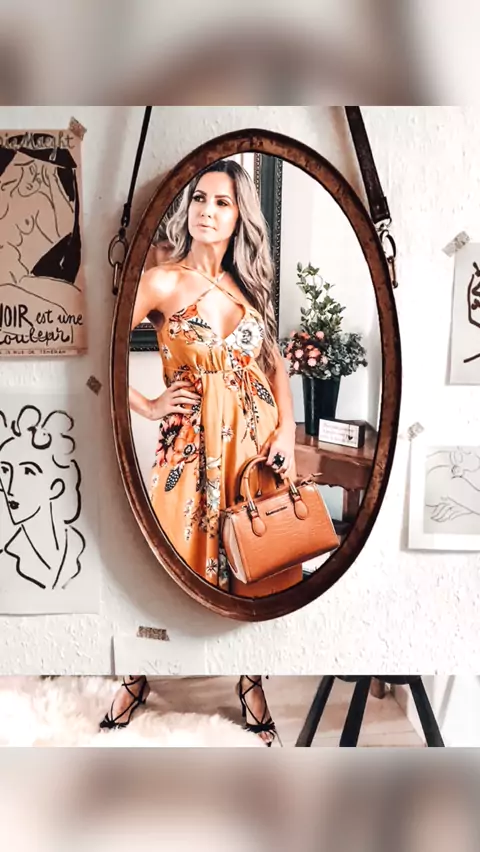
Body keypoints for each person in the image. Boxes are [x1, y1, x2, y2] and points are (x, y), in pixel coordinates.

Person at [102, 160, 302, 744]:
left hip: (256, 451)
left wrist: (287, 432)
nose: (206, 211)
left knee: (255, 562)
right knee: (170, 561)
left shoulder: (248, 286)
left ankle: (250, 680)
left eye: (221, 202)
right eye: (199, 199)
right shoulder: (163, 281)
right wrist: (148, 405)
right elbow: (103, 354)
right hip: (190, 452)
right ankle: (137, 673)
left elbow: (274, 365)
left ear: (239, 218)